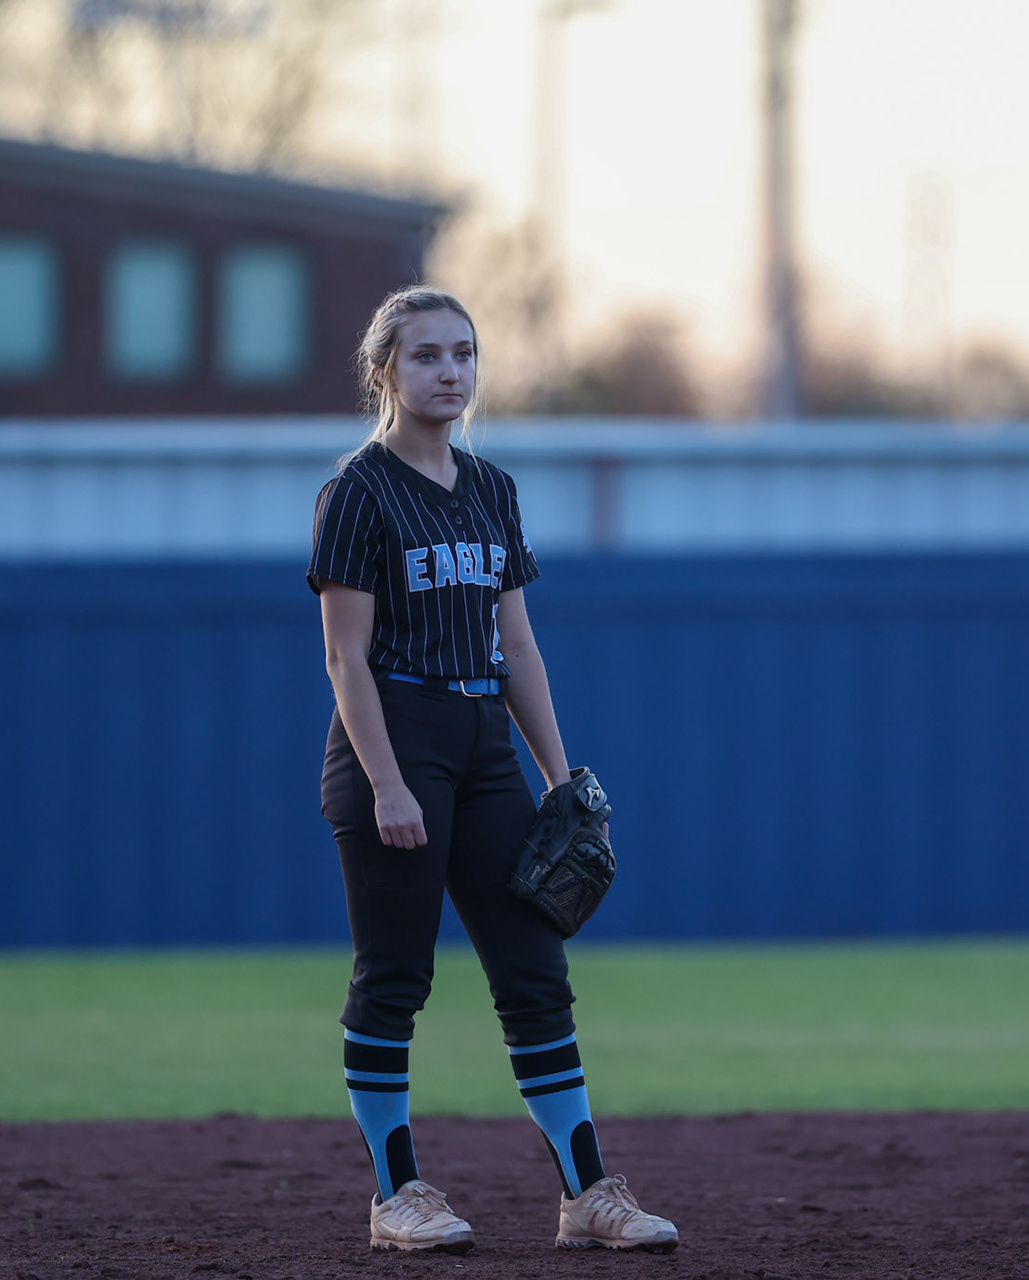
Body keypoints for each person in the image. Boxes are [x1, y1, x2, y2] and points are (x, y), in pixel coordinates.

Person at [307, 284, 679, 1257]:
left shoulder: (492, 489)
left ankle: (587, 1193)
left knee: (534, 968)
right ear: (383, 369)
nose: (450, 371)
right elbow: (346, 656)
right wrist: (386, 781)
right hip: (394, 734)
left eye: (464, 353)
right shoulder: (357, 490)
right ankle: (397, 1195)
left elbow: (516, 642)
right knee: (395, 974)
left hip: (480, 743)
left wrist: (558, 773)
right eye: (427, 353)